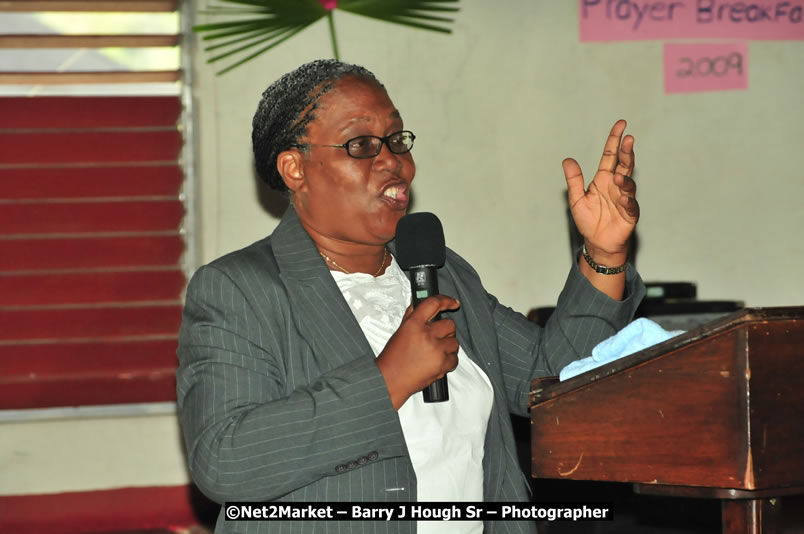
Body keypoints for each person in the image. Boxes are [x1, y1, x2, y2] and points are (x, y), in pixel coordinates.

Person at [176, 59, 645, 534]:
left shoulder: (441, 272)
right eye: (361, 145)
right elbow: (224, 460)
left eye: (397, 140)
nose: (394, 161)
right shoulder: (240, 289)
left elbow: (556, 383)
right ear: (295, 168)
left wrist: (603, 254)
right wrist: (388, 380)